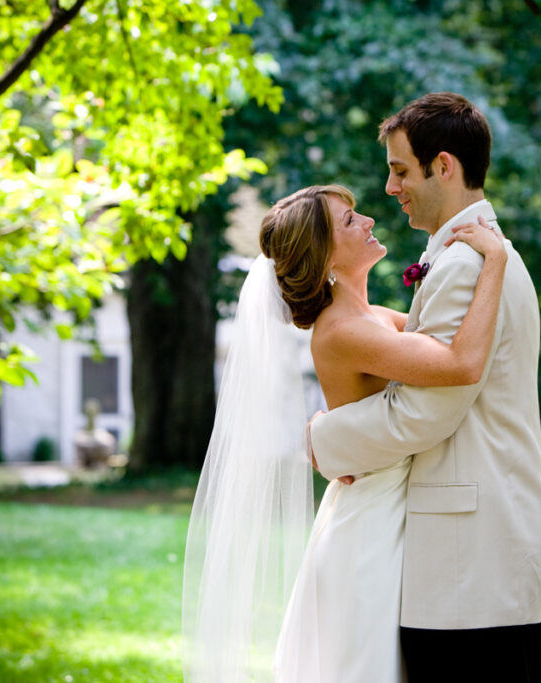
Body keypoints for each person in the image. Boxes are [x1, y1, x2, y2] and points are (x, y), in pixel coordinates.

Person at [182, 183, 507, 682]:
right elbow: (460, 362)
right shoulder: (343, 331)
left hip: (392, 504)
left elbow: (449, 339)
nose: (369, 221)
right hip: (371, 522)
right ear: (325, 255)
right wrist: (496, 263)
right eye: (350, 220)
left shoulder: (371, 318)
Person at [309, 92, 541, 682]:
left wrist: (323, 441)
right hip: (476, 553)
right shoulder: (467, 255)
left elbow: (424, 413)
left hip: (469, 557)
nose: (390, 188)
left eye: (399, 170)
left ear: (442, 166)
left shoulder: (467, 264)